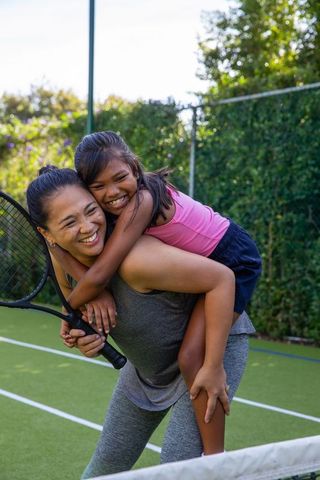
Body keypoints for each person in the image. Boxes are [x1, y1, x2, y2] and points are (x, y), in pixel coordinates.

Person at [26, 166, 255, 476]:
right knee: (102, 470)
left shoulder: (137, 260)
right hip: (147, 371)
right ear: (47, 234)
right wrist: (90, 338)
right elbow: (88, 319)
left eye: (91, 210)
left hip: (208, 352)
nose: (87, 226)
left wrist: (213, 365)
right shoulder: (62, 264)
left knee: (177, 468)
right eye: (68, 222)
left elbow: (222, 280)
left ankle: (221, 465)